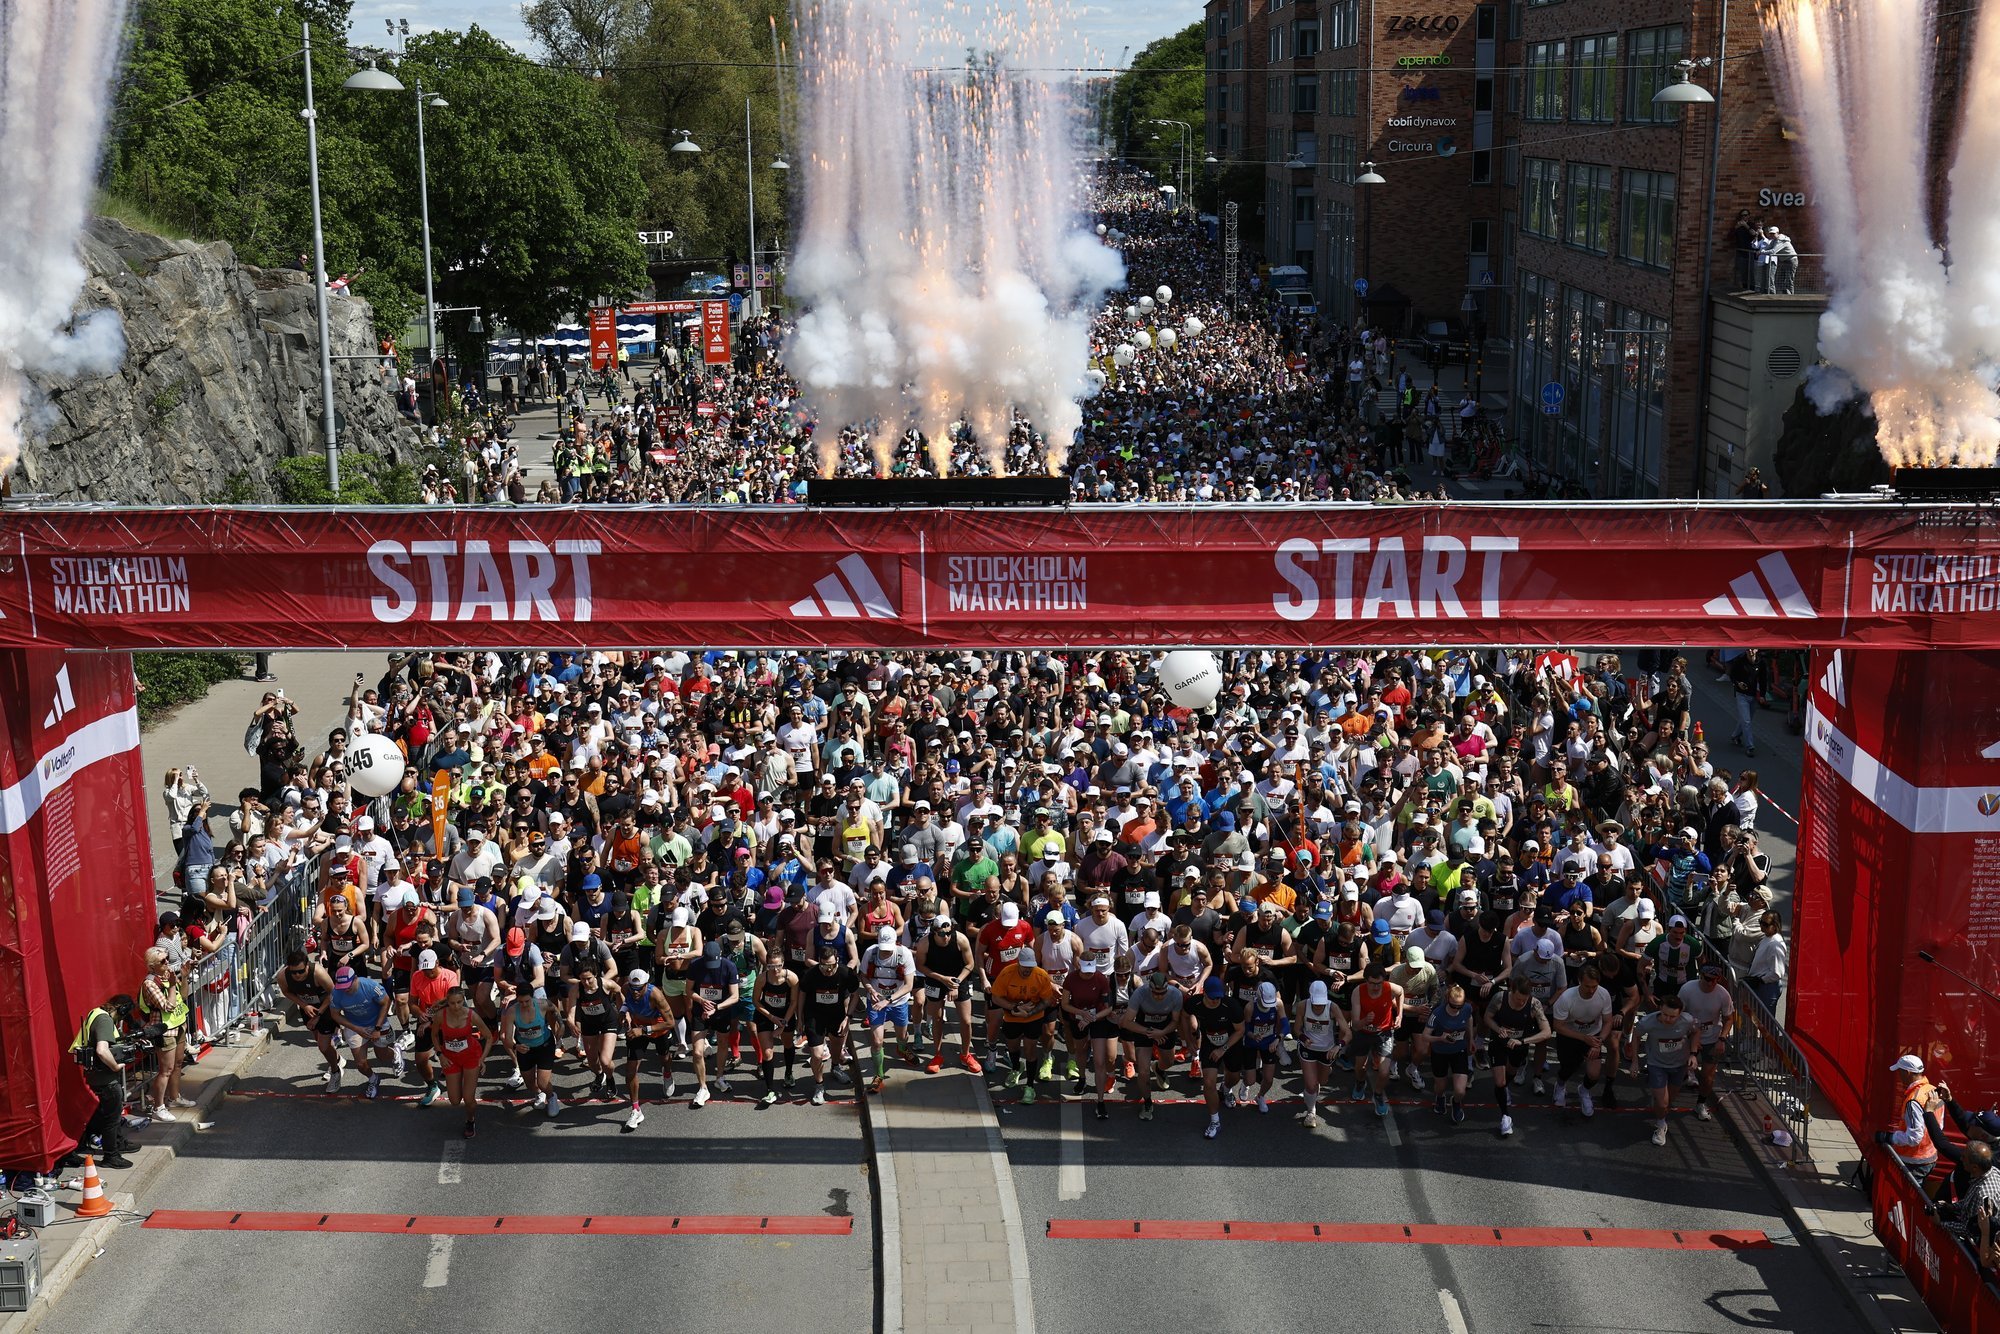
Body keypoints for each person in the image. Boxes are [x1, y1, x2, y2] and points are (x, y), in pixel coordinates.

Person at [69, 995, 137, 1169]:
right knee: (112, 1118)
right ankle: (111, 1156)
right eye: (124, 1014)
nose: (122, 1019)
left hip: (96, 1076)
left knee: (104, 1115)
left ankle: (117, 1144)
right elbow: (102, 1050)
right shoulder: (104, 1019)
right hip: (106, 1079)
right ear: (121, 1008)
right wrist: (115, 1066)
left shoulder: (95, 1013)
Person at [990, 945, 1060, 1104]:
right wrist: (1014, 1008)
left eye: (1031, 967)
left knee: (1030, 1050)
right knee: (1013, 1047)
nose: (1028, 970)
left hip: (1033, 1018)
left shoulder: (1041, 975)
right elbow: (996, 997)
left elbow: (1046, 1000)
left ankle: (1030, 1086)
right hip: (1012, 1018)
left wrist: (1030, 1012)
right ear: (1018, 963)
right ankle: (1016, 1068)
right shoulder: (1007, 973)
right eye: (1025, 967)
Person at [1483, 974, 1551, 1138]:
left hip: (1519, 1045)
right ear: (1511, 991)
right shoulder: (1500, 998)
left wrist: (1523, 1041)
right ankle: (1505, 1117)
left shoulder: (1534, 1004)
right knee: (1500, 1081)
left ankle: (1505, 1089)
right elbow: (1487, 1017)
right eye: (1518, 999)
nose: (1521, 1003)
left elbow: (1547, 1032)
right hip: (1499, 1043)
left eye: (1524, 1000)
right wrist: (1498, 1029)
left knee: (1511, 1073)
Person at [915, 911, 981, 1074]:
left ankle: (966, 1054)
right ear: (934, 932)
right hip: (936, 978)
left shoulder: (960, 939)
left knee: (966, 1020)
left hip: (958, 978)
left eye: (949, 933)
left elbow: (970, 964)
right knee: (937, 1018)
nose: (946, 937)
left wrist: (955, 984)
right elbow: (920, 966)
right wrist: (941, 978)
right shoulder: (924, 943)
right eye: (942, 934)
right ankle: (937, 1055)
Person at [1632, 991, 1698, 1146]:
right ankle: (1661, 1125)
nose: (1668, 1019)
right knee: (1662, 1104)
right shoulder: (1647, 1022)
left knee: (1669, 1100)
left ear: (1680, 1014)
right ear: (1660, 1009)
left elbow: (1696, 1031)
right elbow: (1636, 1036)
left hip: (1679, 1065)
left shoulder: (1687, 1020)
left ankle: (1660, 1106)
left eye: (1672, 1017)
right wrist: (1635, 1061)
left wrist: (1693, 1054)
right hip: (1657, 1065)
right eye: (1665, 1015)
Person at [1340, 962, 1405, 1118]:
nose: (1376, 987)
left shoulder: (1390, 988)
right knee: (1360, 1068)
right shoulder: (1358, 992)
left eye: (1379, 983)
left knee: (1384, 1071)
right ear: (1365, 980)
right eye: (1372, 983)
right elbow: (1355, 1025)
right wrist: (1365, 1021)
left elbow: (1401, 992)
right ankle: (1360, 1083)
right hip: (1363, 1033)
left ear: (1384, 981)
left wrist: (1400, 1014)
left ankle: (1378, 1094)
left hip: (1384, 1032)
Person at [328, 966, 402, 1099]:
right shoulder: (336, 993)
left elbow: (386, 1002)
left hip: (377, 1023)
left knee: (382, 1056)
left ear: (355, 979)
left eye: (348, 986)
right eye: (342, 987)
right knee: (360, 1064)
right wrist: (356, 1029)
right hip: (355, 1025)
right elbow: (335, 1014)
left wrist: (377, 1028)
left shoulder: (370, 986)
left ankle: (395, 1053)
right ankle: (373, 1079)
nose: (345, 989)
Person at [137, 946, 193, 1120]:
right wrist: (172, 985)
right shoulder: (149, 983)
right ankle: (158, 1107)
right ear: (152, 966)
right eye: (162, 960)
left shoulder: (168, 975)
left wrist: (184, 977)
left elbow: (183, 996)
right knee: (166, 1070)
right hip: (164, 1030)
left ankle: (174, 1098)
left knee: (178, 1064)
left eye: (167, 958)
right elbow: (168, 1006)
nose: (167, 962)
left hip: (179, 1025)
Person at [429, 985, 493, 1138]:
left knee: (469, 1099)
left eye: (459, 1002)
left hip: (471, 1057)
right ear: (448, 1002)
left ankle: (470, 1120)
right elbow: (434, 1035)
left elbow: (489, 1037)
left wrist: (482, 1059)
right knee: (455, 1100)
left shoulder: (471, 1015)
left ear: (463, 1000)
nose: (456, 1006)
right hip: (450, 1058)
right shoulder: (441, 1015)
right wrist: (440, 1054)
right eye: (452, 1003)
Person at [859, 924, 916, 1091]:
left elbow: (909, 985)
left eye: (888, 949)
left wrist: (888, 1000)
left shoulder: (904, 954)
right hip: (876, 1002)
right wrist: (870, 989)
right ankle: (879, 1075)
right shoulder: (870, 953)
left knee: (902, 1035)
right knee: (877, 1041)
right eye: (883, 949)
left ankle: (902, 1048)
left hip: (898, 1002)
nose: (885, 952)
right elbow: (863, 976)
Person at [1677, 962, 1736, 1122]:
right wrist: (1689, 1037)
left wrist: (1722, 1038)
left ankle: (1701, 1103)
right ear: (1700, 976)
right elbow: (1678, 1014)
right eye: (1708, 979)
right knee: (1676, 1071)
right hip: (1689, 1036)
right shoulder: (1687, 989)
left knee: (1707, 1077)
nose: (1711, 983)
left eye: (1715, 980)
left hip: (1712, 1038)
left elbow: (1729, 1018)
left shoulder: (1723, 994)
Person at [1879, 1053, 1946, 1192]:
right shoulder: (1933, 1090)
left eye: (1900, 1071)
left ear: (1908, 1072)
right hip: (1930, 1156)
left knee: (1909, 1197)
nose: (1898, 1075)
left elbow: (1914, 1138)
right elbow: (1939, 1125)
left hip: (1914, 1161)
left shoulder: (1913, 1100)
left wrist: (1890, 1137)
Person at [688, 940, 743, 1105]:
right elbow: (688, 990)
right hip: (700, 1012)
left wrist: (716, 1008)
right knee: (697, 1052)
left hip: (721, 1011)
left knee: (722, 1043)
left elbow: (735, 996)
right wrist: (701, 1000)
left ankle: (719, 1077)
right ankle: (703, 1087)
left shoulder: (729, 967)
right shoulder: (695, 965)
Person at [1190, 975, 1246, 1139]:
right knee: (1208, 1082)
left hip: (1231, 1044)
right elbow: (1185, 1016)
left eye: (1218, 997)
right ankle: (1215, 1121)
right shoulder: (1195, 1003)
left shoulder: (1231, 1006)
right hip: (1209, 1044)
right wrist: (1189, 1039)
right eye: (1212, 997)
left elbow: (1240, 1030)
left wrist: (1223, 1049)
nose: (1216, 1001)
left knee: (1234, 1077)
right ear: (1204, 993)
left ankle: (1226, 1089)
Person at [621, 968, 675, 1125]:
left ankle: (667, 1073)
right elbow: (624, 1001)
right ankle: (636, 1110)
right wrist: (623, 1013)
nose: (635, 992)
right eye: (633, 988)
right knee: (630, 1070)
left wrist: (644, 1030)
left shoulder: (656, 995)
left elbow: (670, 1022)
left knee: (664, 1058)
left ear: (646, 985)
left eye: (639, 989)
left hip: (658, 1029)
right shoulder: (626, 988)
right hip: (637, 1028)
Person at [501, 985, 561, 1116]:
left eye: (527, 1001)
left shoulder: (542, 1004)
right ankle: (539, 1093)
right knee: (529, 1084)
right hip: (525, 1050)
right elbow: (507, 1037)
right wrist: (516, 1047)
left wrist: (561, 1025)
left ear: (532, 997)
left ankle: (551, 1096)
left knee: (543, 1083)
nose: (524, 1004)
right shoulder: (512, 1012)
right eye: (521, 1002)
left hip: (544, 1046)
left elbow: (555, 1009)